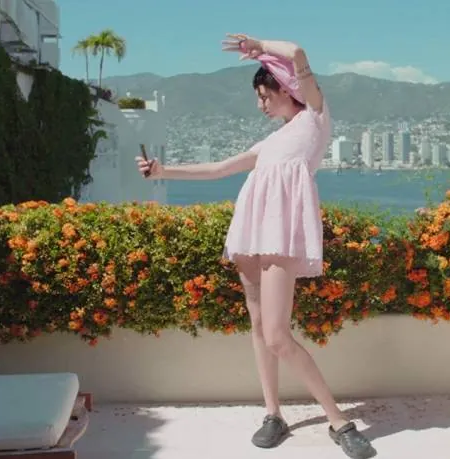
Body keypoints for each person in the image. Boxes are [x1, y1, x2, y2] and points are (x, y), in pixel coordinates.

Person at [135, 34, 377, 459]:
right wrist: (161, 171)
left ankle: (339, 421)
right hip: (250, 233)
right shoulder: (269, 143)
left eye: (265, 96)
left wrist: (260, 47)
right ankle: (273, 413)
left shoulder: (315, 117)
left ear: (285, 89)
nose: (261, 104)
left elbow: (298, 53)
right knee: (259, 325)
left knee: (278, 335)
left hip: (281, 237)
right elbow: (219, 169)